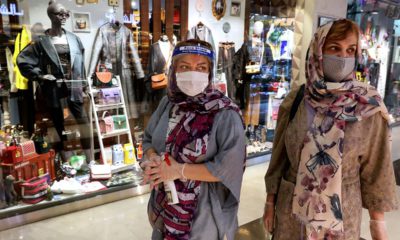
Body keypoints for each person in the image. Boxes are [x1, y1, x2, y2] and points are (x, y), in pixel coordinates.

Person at [263, 19, 398, 240]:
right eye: (334, 48)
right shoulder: (296, 99)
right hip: (292, 213)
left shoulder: (367, 106)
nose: (343, 57)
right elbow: (279, 159)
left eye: (350, 50)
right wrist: (270, 202)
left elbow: (377, 168)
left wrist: (377, 223)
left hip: (341, 215)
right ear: (318, 50)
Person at [141, 39, 246, 240]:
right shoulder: (168, 103)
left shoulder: (224, 113)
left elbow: (228, 167)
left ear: (210, 72)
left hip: (202, 216)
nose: (193, 73)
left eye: (201, 67)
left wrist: (178, 170)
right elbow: (148, 139)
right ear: (174, 70)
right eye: (185, 66)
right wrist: (154, 159)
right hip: (163, 208)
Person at [17, 1, 90, 154]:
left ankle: (90, 159)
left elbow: (80, 63)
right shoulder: (41, 41)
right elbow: (22, 60)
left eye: (66, 14)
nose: (64, 17)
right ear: (51, 15)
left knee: (84, 123)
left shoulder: (73, 38)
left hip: (74, 87)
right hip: (54, 90)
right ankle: (64, 162)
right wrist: (40, 75)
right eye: (60, 14)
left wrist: (84, 84)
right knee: (59, 126)